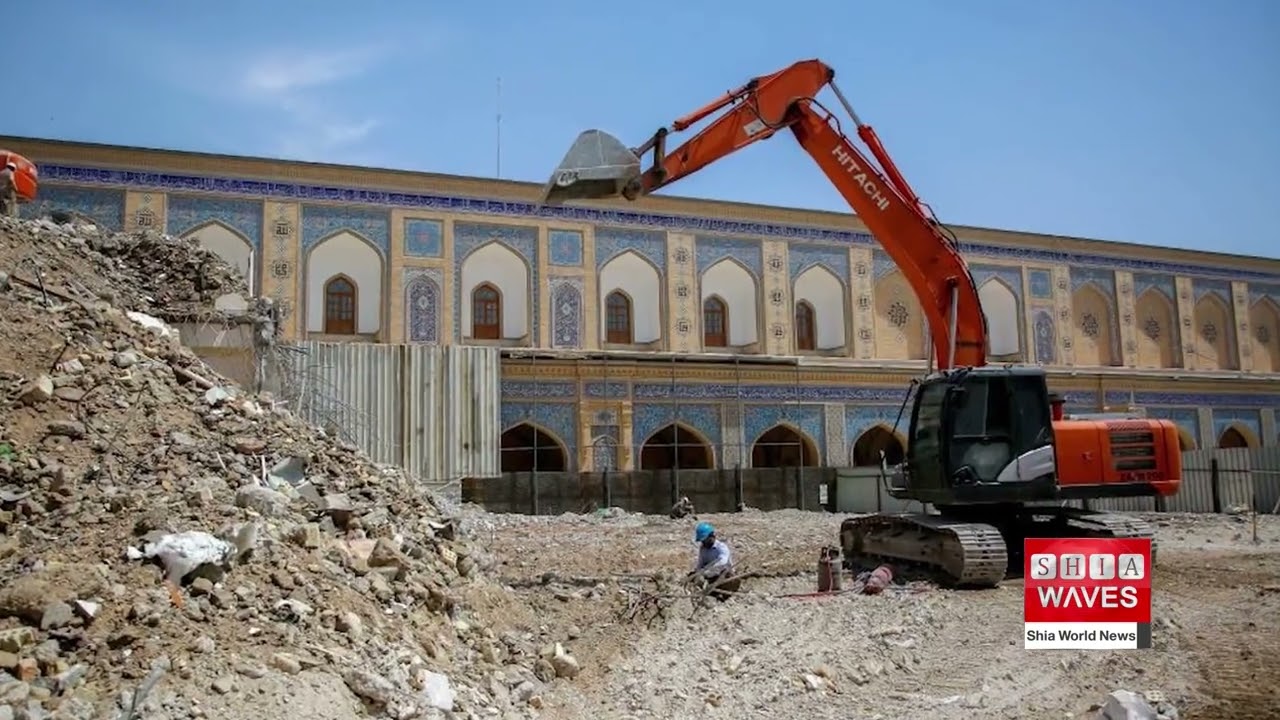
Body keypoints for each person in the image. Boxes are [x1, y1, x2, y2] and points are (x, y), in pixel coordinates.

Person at [687, 522, 741, 601]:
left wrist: (708, 571)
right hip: (709, 577)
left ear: (711, 536)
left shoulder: (721, 547)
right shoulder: (703, 549)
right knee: (692, 575)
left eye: (705, 540)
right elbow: (700, 563)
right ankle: (709, 591)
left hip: (722, 575)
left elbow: (722, 562)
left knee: (729, 577)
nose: (703, 543)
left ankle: (721, 594)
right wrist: (699, 573)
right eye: (702, 541)